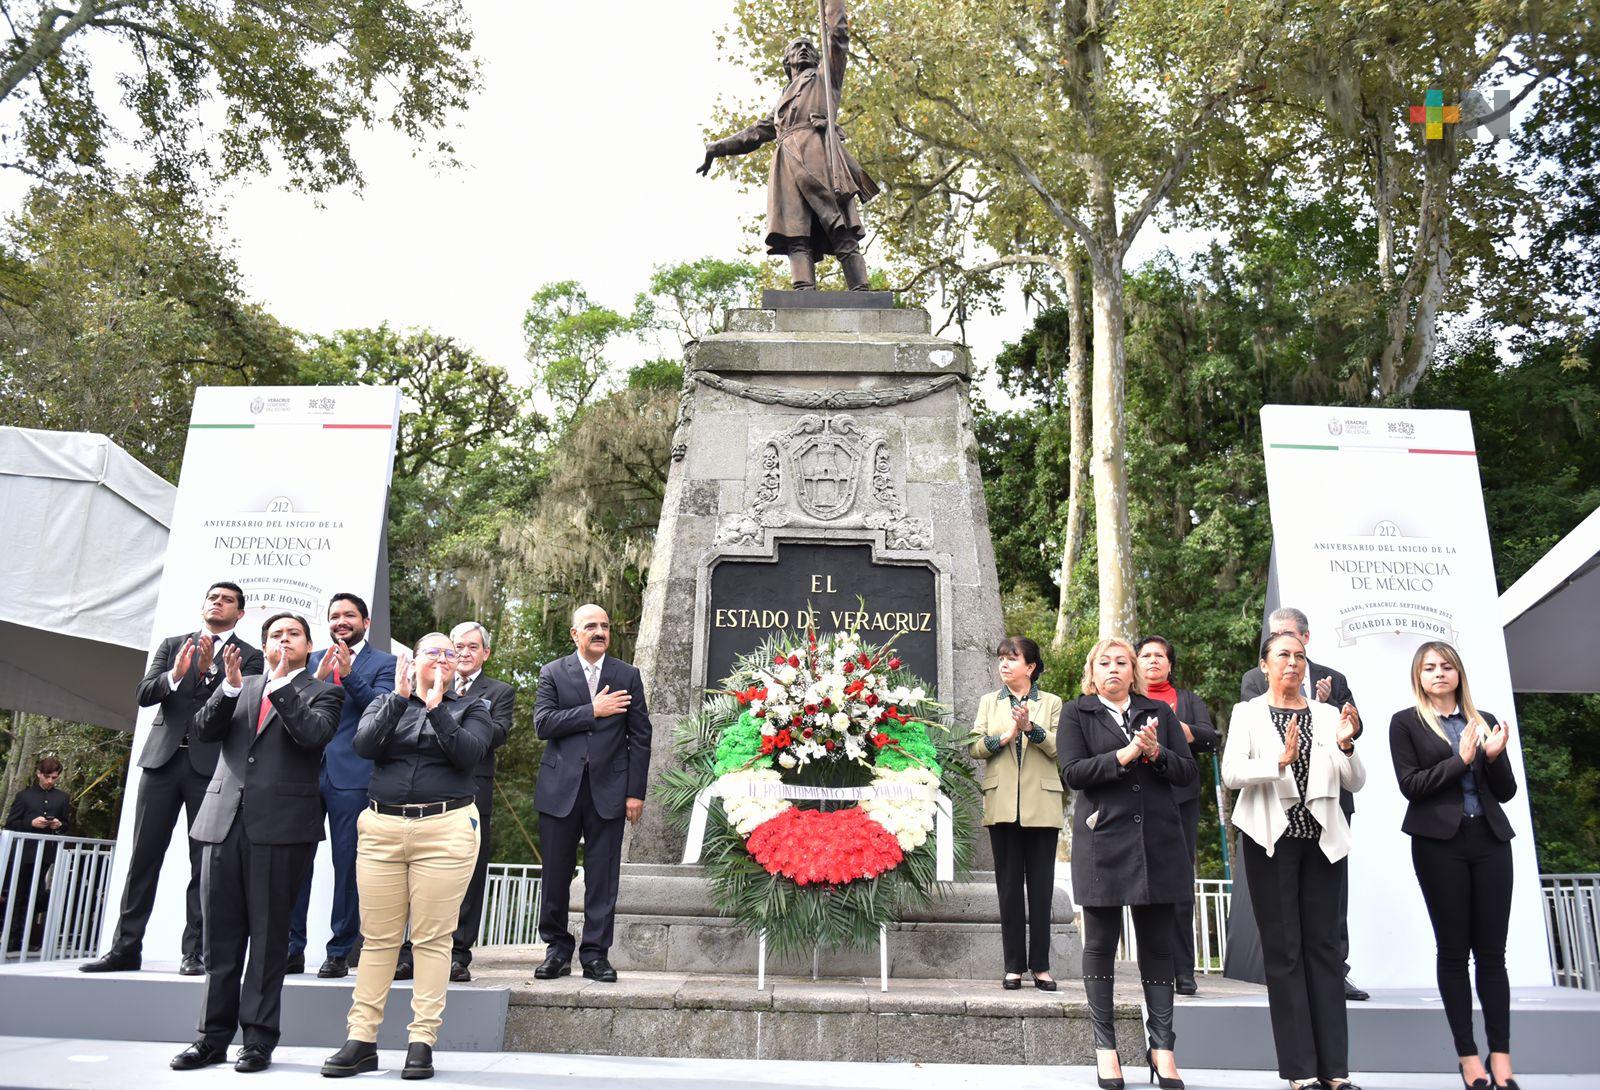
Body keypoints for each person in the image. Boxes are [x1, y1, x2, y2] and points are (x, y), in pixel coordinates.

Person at [170, 612, 343, 1074]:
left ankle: (258, 1040)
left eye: (292, 635)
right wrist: (226, 688)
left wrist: (283, 686)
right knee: (219, 940)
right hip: (222, 824)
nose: (282, 641)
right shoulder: (239, 684)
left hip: (282, 829)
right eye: (274, 635)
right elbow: (203, 732)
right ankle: (210, 1039)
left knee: (268, 943)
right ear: (262, 645)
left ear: (309, 646)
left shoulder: (325, 692)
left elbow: (311, 736)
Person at [320, 632, 493, 1082]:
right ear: (411, 662)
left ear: (457, 666)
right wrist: (399, 700)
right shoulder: (384, 702)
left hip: (446, 829)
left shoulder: (471, 707)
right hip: (381, 829)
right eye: (432, 652)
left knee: (433, 939)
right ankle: (361, 1040)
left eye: (449, 654)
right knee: (377, 939)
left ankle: (422, 1042)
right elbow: (364, 746)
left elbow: (469, 754)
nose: (441, 658)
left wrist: (438, 709)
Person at [83, 581, 263, 976]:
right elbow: (145, 693)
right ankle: (125, 947)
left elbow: (242, 707)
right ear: (203, 605)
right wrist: (176, 677)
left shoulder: (249, 656)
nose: (218, 603)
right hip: (161, 764)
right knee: (143, 858)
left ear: (240, 613)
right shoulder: (172, 645)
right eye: (213, 597)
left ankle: (195, 952)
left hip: (211, 769)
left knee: (205, 864)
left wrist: (210, 674)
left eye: (227, 600)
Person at [1224, 631, 1365, 1090]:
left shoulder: (1326, 715)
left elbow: (1355, 781)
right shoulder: (1247, 712)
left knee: (1325, 950)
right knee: (1285, 954)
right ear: (1264, 664)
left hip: (1323, 842)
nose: (1292, 663)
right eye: (1282, 655)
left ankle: (1336, 1073)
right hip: (1271, 842)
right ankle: (1300, 1073)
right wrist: (1278, 761)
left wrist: (1346, 745)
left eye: (1300, 656)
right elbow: (1231, 774)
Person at [1059, 637, 1196, 1090]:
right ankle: (1106, 1049)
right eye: (1105, 662)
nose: (1114, 668)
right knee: (1099, 946)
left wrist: (1156, 753)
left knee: (1158, 948)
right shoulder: (1077, 713)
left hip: (1157, 842)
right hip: (1103, 841)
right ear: (1092, 670)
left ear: (1133, 671)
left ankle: (1162, 1049)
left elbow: (1188, 772)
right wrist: (1126, 754)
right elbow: (1073, 773)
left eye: (1122, 662)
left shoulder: (1159, 713)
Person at [1390, 642, 1520, 1090]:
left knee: (1493, 955)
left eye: (1447, 666)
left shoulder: (1481, 719)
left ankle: (1501, 1058)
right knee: (1453, 952)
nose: (1439, 674)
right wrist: (1460, 760)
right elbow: (1412, 786)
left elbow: (1505, 792)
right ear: (1418, 676)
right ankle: (1469, 1059)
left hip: (1490, 840)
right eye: (1430, 668)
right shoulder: (1405, 723)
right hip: (1438, 845)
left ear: (1459, 673)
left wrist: (1492, 757)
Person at [697, 0, 879, 290]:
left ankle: (861, 289)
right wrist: (716, 148)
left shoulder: (824, 79)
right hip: (787, 165)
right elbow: (754, 133)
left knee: (839, 225)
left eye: (808, 46)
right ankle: (803, 289)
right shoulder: (782, 103)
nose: (804, 49)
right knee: (796, 232)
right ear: (787, 62)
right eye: (796, 47)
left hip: (819, 156)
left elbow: (838, 35)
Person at [1239, 605, 1369, 1002]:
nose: (1287, 655)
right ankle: (1290, 981)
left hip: (1328, 805)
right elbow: (1255, 732)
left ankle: (1336, 972)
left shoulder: (1335, 678)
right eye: (1276, 645)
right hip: (1275, 814)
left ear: (1305, 640)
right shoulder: (1250, 684)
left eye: (1291, 643)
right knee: (1282, 912)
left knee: (1332, 904)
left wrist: (1335, 718)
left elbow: (1350, 729)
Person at [531, 604, 652, 984]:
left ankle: (596, 954)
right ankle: (557, 949)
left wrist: (635, 792)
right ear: (574, 634)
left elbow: (641, 737)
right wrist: (593, 710)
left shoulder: (627, 675)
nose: (599, 631)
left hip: (610, 791)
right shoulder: (552, 673)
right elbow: (543, 724)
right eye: (590, 626)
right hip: (559, 790)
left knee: (603, 876)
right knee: (555, 875)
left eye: (604, 625)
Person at [394, 620, 514, 983]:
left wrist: (452, 710)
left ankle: (458, 953)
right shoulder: (423, 681)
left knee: (468, 876)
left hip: (473, 793)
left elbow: (496, 734)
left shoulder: (499, 691)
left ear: (485, 653)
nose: (462, 653)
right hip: (422, 793)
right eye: (456, 646)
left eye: (471, 647)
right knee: (415, 876)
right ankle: (407, 953)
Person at [287, 592, 397, 978]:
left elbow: (381, 711)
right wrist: (314, 679)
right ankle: (290, 948)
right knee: (295, 863)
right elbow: (293, 706)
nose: (341, 621)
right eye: (334, 616)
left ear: (365, 623)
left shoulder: (385, 663)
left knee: (347, 864)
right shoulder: (311, 661)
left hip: (352, 777)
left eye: (349, 615)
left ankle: (340, 950)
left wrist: (349, 675)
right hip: (302, 774)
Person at [969, 636, 1064, 991]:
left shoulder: (1052, 703)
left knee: (1041, 889)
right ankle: (1013, 967)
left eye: (1013, 658)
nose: (1004, 665)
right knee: (1008, 889)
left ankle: (1040, 965)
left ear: (1031, 666)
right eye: (1001, 659)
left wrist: (1030, 729)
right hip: (1002, 805)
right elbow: (976, 747)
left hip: (1042, 806)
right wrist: (1005, 736)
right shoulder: (989, 702)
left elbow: (1059, 748)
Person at [1136, 635, 1219, 995]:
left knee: (1180, 885)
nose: (1153, 661)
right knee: (1143, 886)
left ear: (1170, 664)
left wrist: (1177, 728)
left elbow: (1210, 736)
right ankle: (1154, 968)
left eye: (1160, 656)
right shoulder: (1128, 701)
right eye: (1146, 655)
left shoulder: (1187, 700)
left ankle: (1184, 970)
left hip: (1179, 800)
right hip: (1137, 803)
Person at [3, 756, 72, 951]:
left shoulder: (62, 798)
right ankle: (11, 937)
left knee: (36, 895)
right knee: (18, 894)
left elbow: (66, 825)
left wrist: (58, 825)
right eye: (47, 777)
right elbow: (10, 823)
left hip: (45, 855)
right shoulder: (24, 796)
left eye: (54, 777)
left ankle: (27, 937)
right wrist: (30, 823)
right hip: (24, 853)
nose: (50, 781)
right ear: (39, 774)